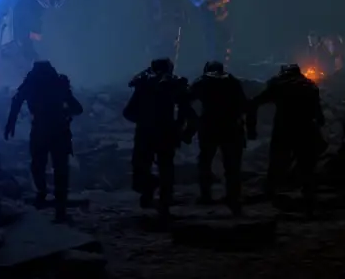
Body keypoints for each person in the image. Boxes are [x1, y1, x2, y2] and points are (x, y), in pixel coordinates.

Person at [4, 61, 83, 222]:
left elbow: (17, 101)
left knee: (39, 165)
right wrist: (65, 112)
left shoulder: (32, 82)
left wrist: (11, 123)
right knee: (60, 170)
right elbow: (77, 108)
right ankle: (59, 209)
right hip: (59, 130)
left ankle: (43, 194)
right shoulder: (56, 82)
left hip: (41, 130)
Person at [248, 64, 325, 215]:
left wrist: (251, 128)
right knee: (306, 163)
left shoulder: (279, 85)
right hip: (305, 128)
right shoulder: (309, 86)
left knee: (277, 159)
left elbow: (255, 102)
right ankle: (308, 196)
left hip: (284, 128)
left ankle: (271, 192)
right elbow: (318, 113)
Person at [123, 58, 194, 218]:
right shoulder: (173, 84)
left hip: (145, 133)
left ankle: (150, 192)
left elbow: (128, 112)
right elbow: (187, 111)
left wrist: (143, 121)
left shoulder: (144, 84)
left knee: (142, 166)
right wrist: (183, 130)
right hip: (166, 132)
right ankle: (164, 202)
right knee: (165, 168)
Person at [189, 61, 249, 216]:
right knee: (232, 164)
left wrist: (191, 125)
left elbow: (186, 100)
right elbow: (244, 105)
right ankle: (233, 196)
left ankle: (206, 195)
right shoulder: (232, 81)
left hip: (209, 126)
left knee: (205, 162)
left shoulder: (202, 81)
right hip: (230, 126)